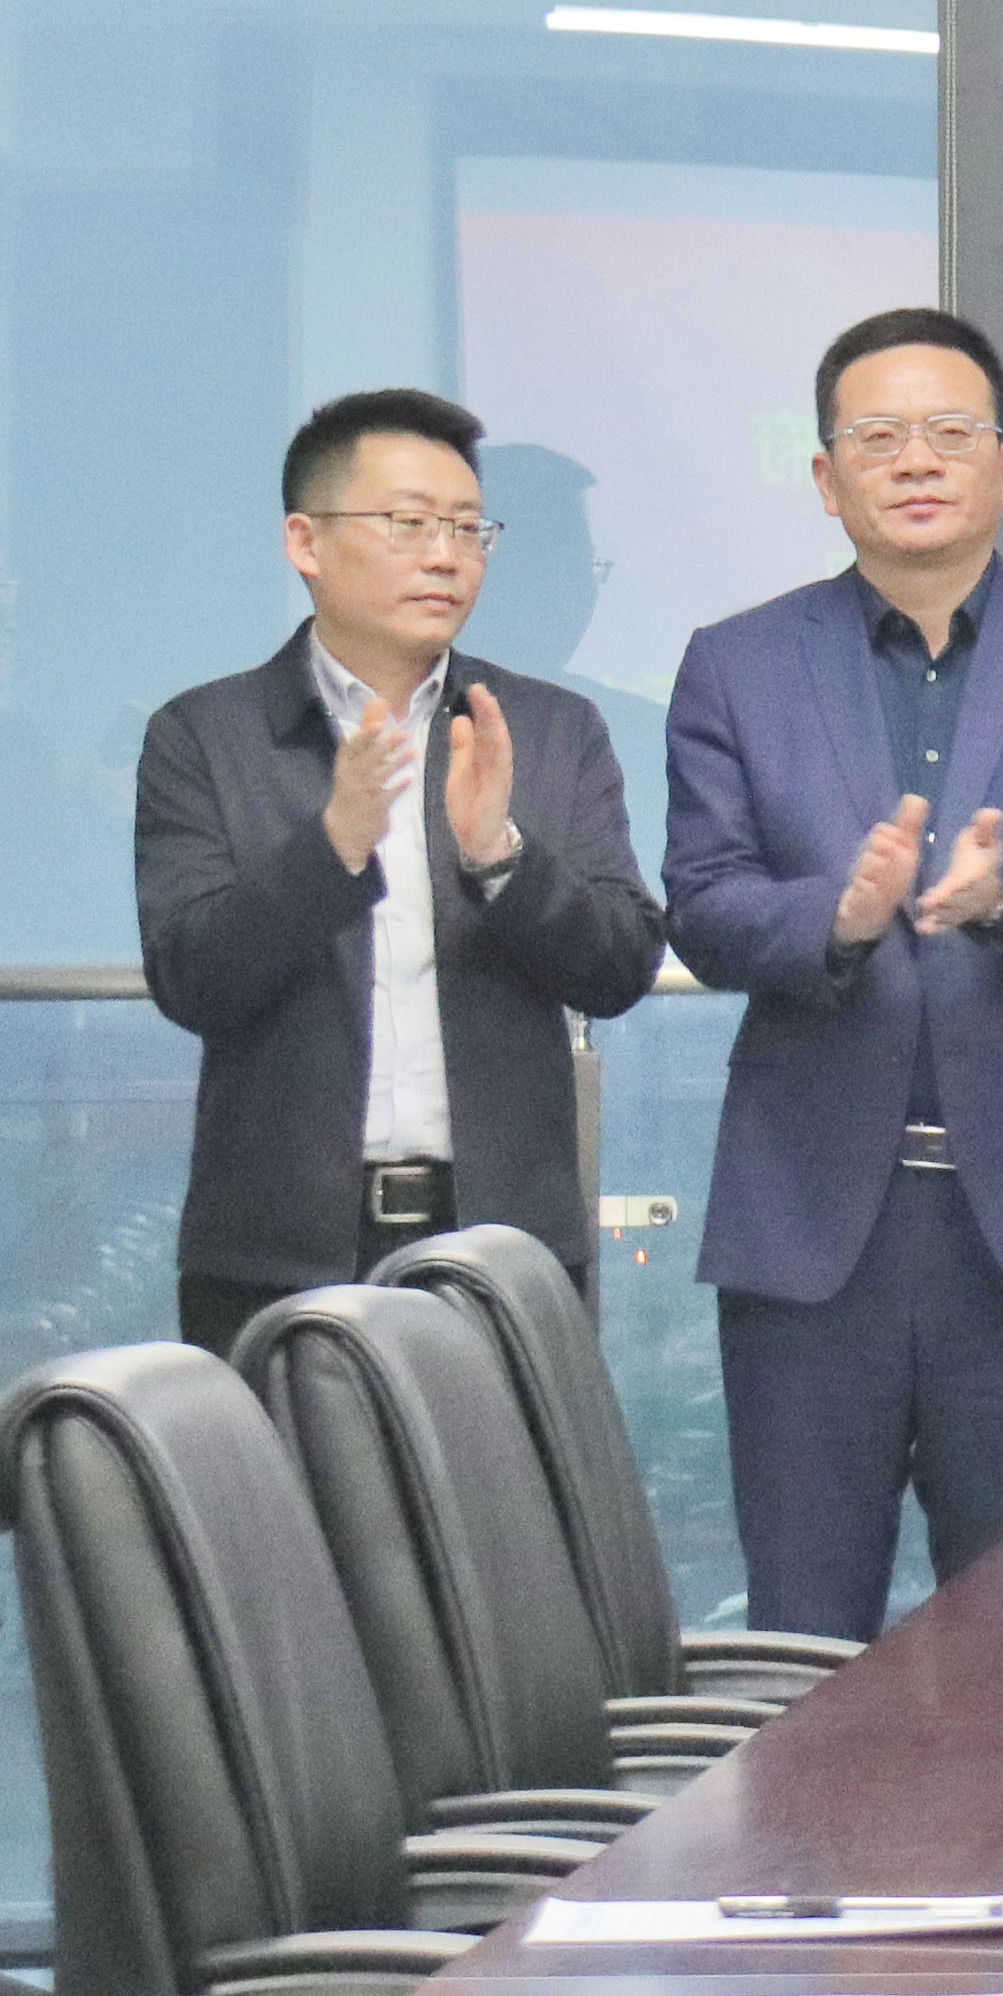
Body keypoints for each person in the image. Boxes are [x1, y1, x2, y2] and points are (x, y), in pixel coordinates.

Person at [664, 308, 1003, 1639]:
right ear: (825, 476)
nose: (916, 460)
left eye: (952, 433)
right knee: (803, 1624)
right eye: (879, 436)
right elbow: (705, 902)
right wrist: (836, 919)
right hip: (811, 1223)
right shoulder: (738, 661)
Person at [134, 390, 664, 1358]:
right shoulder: (206, 737)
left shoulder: (548, 731)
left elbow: (621, 965)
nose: (446, 556)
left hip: (503, 1259)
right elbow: (192, 978)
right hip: (276, 1263)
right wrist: (333, 844)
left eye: (468, 528)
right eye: (410, 523)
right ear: (306, 541)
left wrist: (501, 857)